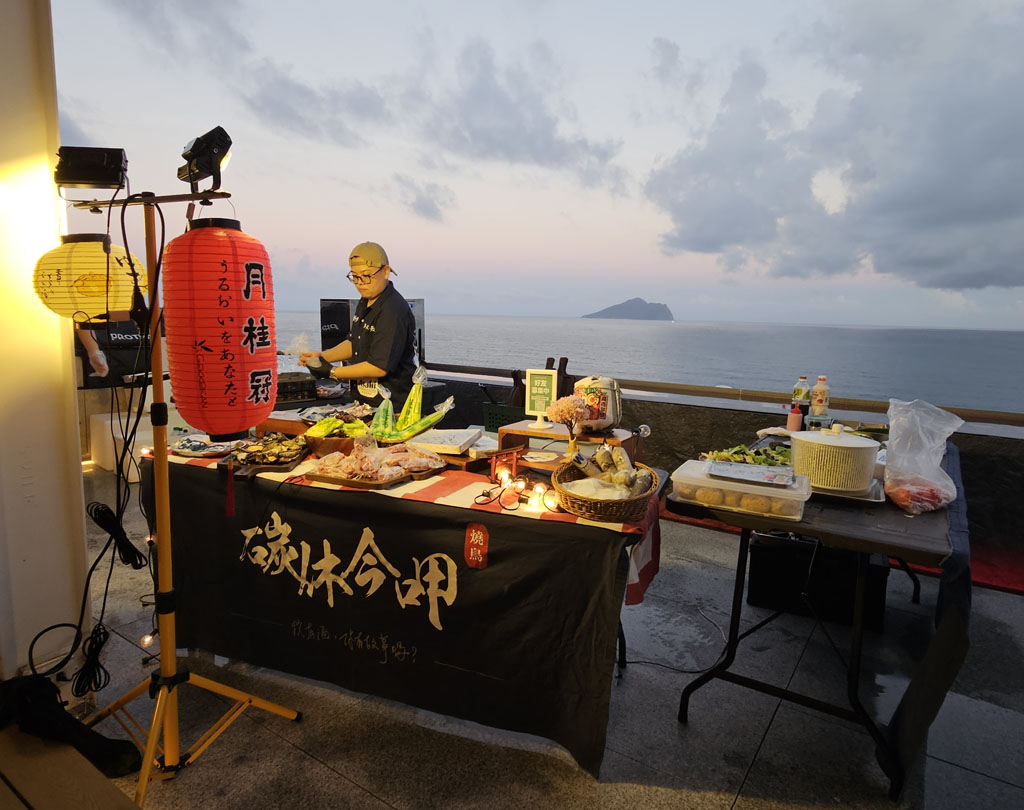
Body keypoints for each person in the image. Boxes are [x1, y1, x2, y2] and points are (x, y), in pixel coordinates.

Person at [298, 241, 417, 406]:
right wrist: (322, 357)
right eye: (355, 276)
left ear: (386, 272)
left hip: (391, 406)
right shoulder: (366, 301)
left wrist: (332, 372)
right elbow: (355, 342)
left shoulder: (393, 310)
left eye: (366, 276)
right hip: (364, 402)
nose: (360, 283)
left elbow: (378, 367)